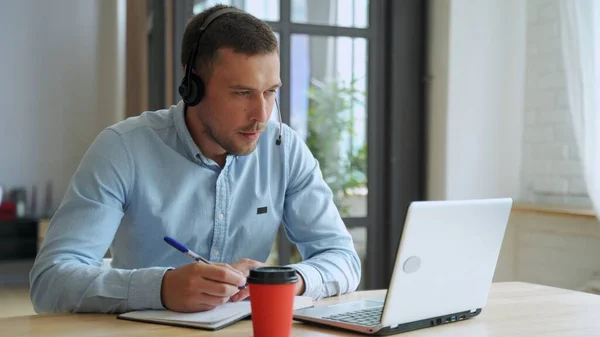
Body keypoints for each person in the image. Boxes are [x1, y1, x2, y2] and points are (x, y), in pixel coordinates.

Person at [29, 4, 361, 314]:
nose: (261, 114)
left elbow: (343, 259)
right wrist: (160, 288)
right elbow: (50, 282)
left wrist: (286, 279)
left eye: (270, 91)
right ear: (192, 86)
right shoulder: (122, 149)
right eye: (242, 93)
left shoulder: (283, 149)